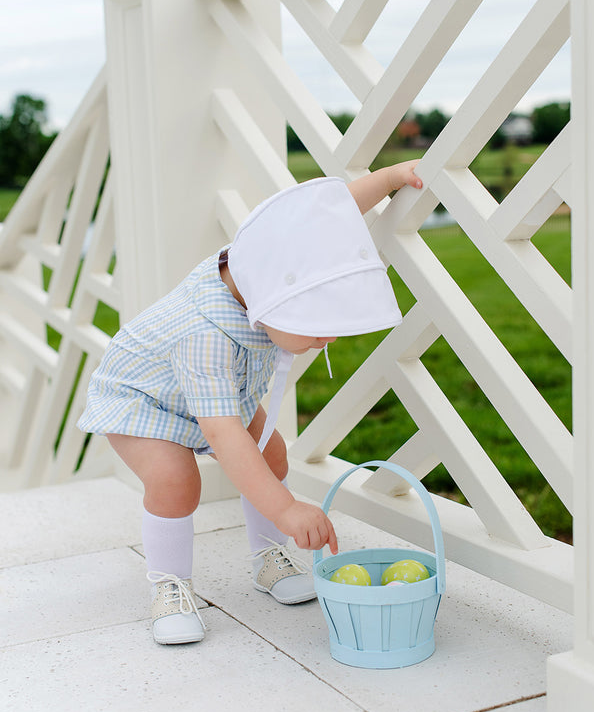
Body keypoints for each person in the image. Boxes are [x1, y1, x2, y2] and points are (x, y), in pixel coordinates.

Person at [78, 160, 422, 645]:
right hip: (146, 399)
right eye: (316, 322)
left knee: (272, 452)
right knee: (176, 480)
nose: (327, 338)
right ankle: (169, 587)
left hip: (216, 390)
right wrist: (285, 508)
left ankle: (268, 560)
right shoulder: (205, 334)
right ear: (271, 298)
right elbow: (222, 433)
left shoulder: (258, 265)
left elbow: (323, 220)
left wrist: (386, 182)